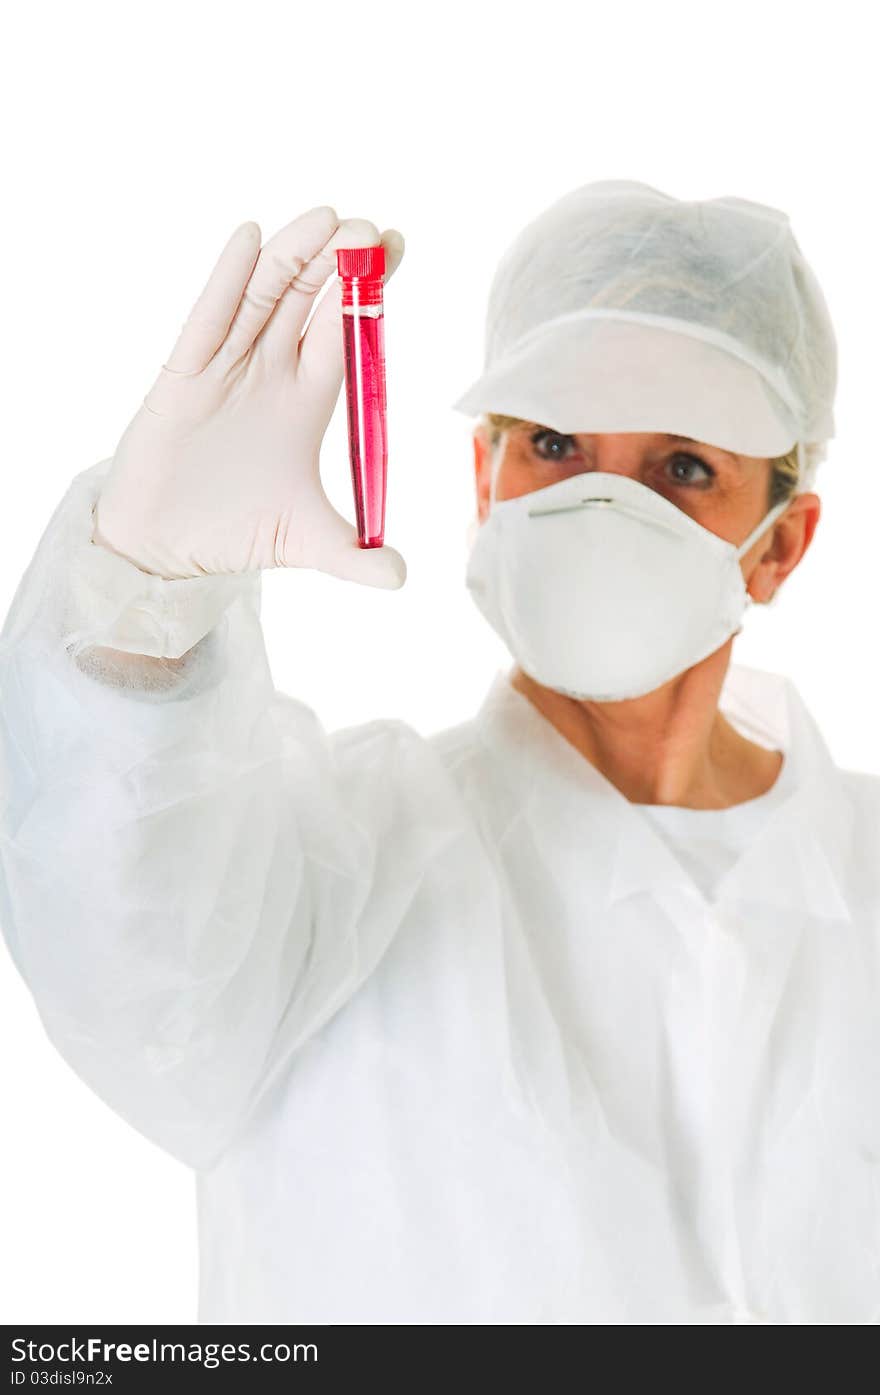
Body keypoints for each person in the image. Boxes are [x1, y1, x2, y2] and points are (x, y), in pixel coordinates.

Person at [1, 181, 876, 1327]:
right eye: (556, 443)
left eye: (683, 466)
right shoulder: (322, 876)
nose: (604, 504)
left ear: (781, 546)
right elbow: (120, 927)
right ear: (484, 478)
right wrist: (141, 596)